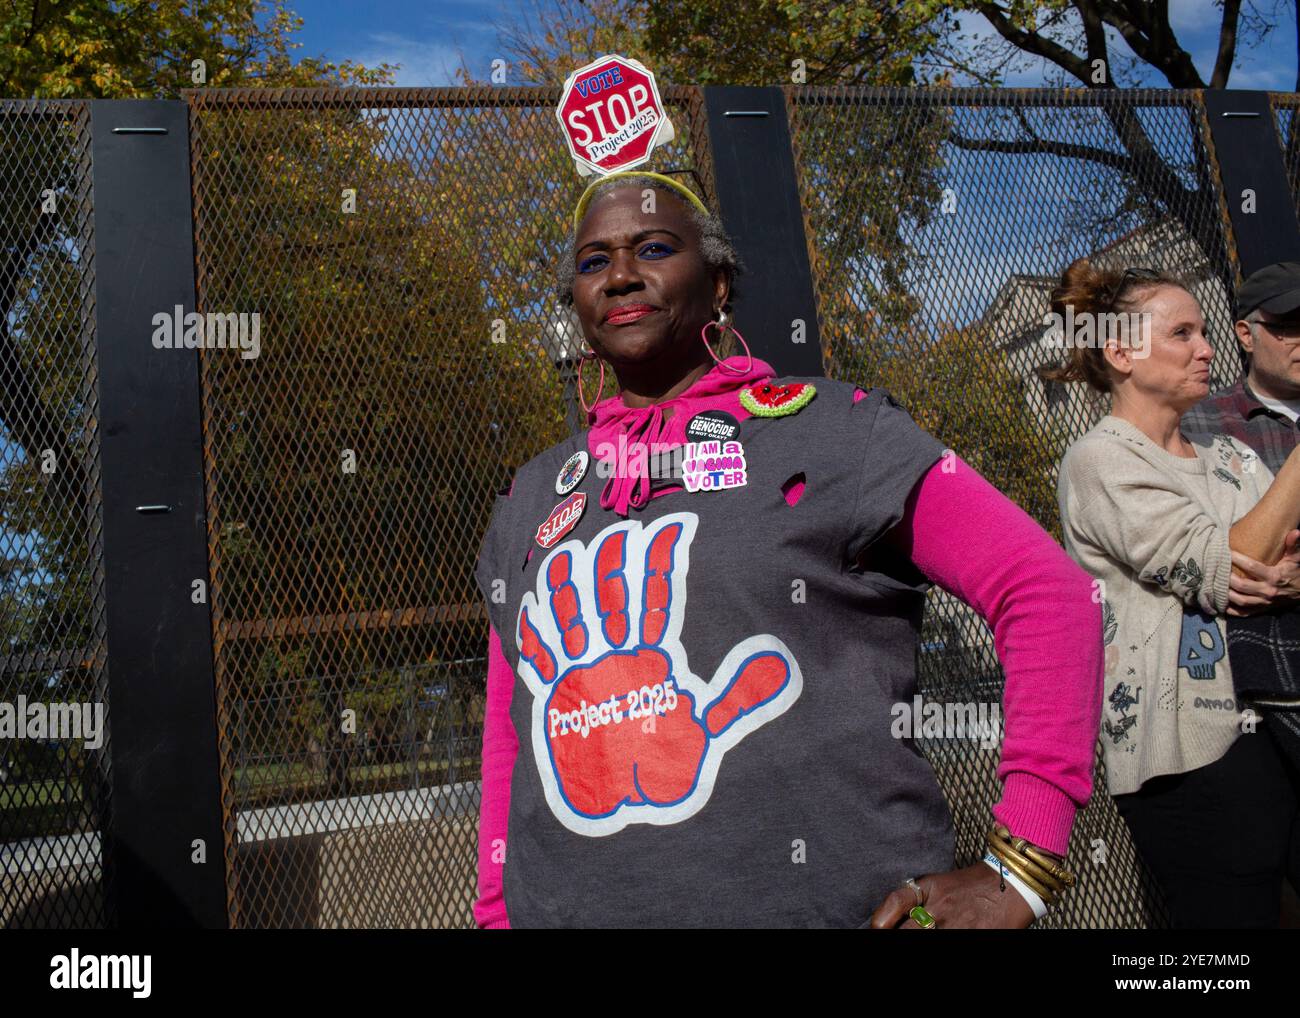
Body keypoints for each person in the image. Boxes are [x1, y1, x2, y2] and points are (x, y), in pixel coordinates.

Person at [471, 169, 1103, 928]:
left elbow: (1048, 594)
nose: (622, 277)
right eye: (593, 261)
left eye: (655, 247)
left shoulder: (839, 433)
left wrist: (1021, 867)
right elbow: (512, 727)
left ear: (720, 281)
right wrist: (497, 913)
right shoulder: (530, 497)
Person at [1050, 258, 1300, 927]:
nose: (1208, 348)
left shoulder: (1233, 459)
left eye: (1204, 331)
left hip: (1279, 722)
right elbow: (1235, 566)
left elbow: (1272, 562)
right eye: (1184, 333)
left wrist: (1255, 567)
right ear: (1122, 350)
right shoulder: (1101, 461)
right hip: (1189, 753)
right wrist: (1247, 563)